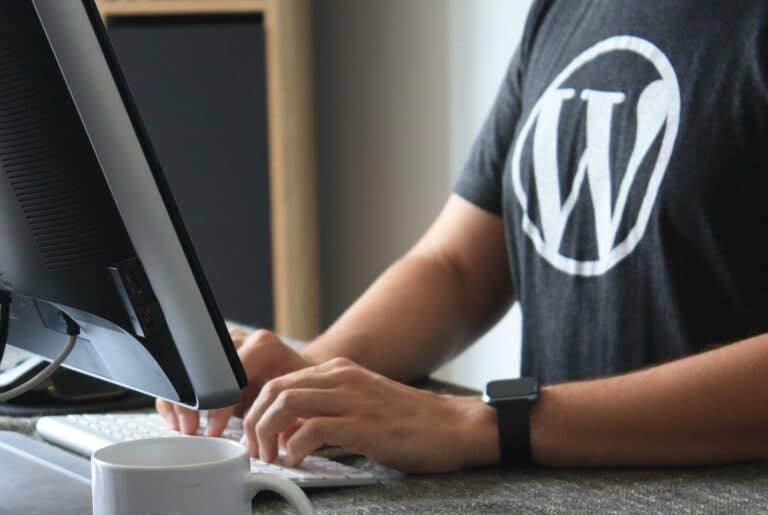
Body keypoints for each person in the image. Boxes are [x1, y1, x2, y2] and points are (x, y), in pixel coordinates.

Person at [158, 0, 768, 472]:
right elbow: (459, 266)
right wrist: (315, 370)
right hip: (570, 511)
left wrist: (481, 423)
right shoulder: (565, 9)